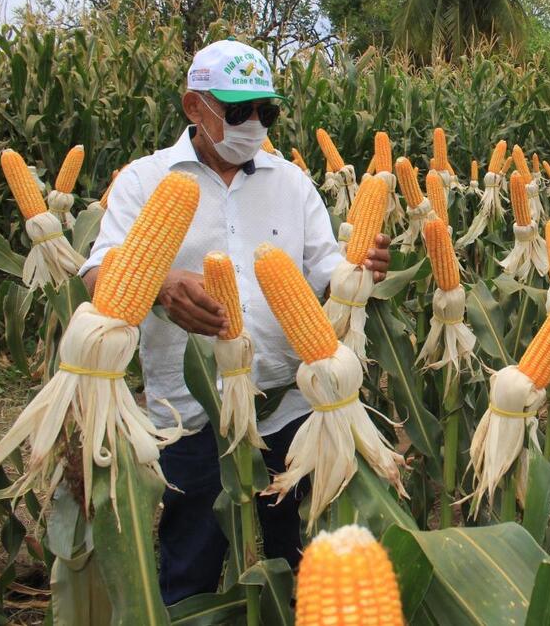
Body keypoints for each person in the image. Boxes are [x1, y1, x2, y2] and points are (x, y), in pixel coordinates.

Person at [79, 38, 390, 604]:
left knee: (303, 570)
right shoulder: (146, 182)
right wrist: (162, 284)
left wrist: (360, 268)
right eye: (238, 110)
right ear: (194, 106)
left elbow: (325, 270)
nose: (254, 124)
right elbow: (98, 272)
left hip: (289, 408)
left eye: (265, 112)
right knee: (190, 568)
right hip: (191, 412)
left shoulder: (291, 183)